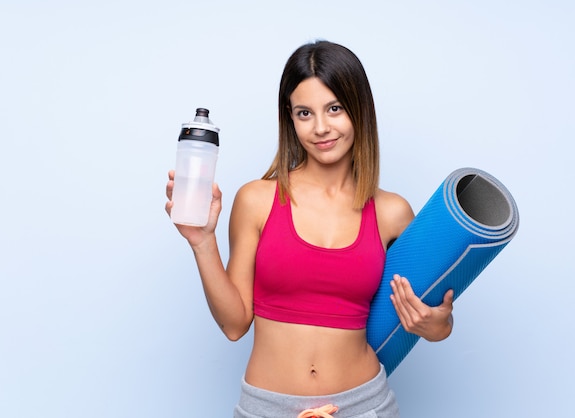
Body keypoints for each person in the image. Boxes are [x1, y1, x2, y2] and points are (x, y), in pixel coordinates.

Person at [165, 40, 454, 418]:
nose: (321, 128)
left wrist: (437, 324)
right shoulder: (257, 199)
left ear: (359, 110)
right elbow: (235, 325)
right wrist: (202, 243)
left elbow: (434, 317)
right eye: (304, 113)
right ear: (290, 118)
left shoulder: (392, 212)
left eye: (334, 109)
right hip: (268, 408)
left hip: (365, 406)